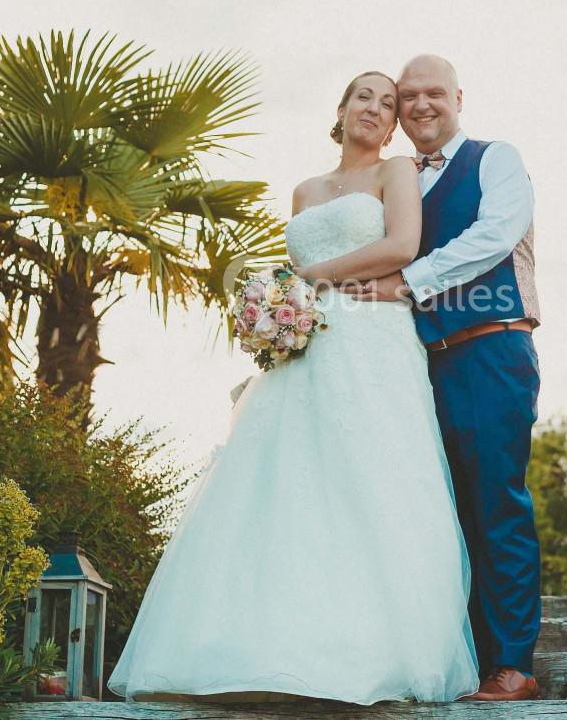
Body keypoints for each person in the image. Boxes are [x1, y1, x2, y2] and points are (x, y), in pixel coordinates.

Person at [107, 71, 480, 704]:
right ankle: (263, 648)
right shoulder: (305, 191)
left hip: (374, 344)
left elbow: (402, 246)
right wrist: (279, 306)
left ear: (393, 126)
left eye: (387, 104)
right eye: (365, 96)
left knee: (372, 479)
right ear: (340, 108)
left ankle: (371, 651)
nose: (376, 108)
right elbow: (299, 274)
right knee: (285, 483)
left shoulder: (395, 175)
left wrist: (312, 275)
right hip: (307, 351)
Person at [354, 54, 543, 702]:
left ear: (458, 96)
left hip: (493, 351)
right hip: (422, 364)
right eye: (409, 97)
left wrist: (409, 281)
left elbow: (494, 236)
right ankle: (463, 658)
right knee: (441, 512)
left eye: (434, 92)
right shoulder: (399, 183)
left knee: (497, 502)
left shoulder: (496, 158)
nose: (421, 105)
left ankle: (513, 662)